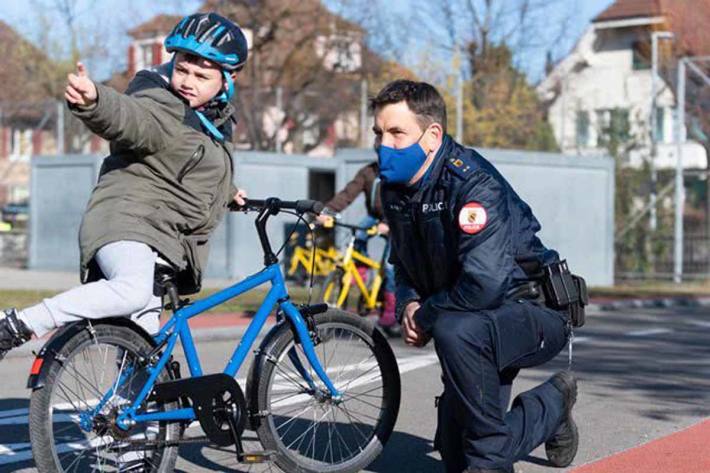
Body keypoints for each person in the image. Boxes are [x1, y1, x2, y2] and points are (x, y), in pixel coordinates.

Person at [0, 12, 250, 359]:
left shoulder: (211, 122)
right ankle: (17, 324)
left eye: (201, 76)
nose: (188, 82)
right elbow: (132, 120)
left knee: (143, 351)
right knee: (131, 291)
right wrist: (95, 102)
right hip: (126, 222)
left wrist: (229, 191)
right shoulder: (162, 104)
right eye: (182, 69)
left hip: (162, 239)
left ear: (228, 79)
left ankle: (131, 411)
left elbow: (188, 166)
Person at [373, 80, 583, 473]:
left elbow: (485, 283)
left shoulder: (472, 183)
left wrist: (425, 315)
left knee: (456, 336)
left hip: (531, 308)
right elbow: (402, 261)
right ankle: (552, 407)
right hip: (469, 318)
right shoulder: (394, 190)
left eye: (397, 133)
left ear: (432, 135)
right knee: (455, 453)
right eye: (379, 133)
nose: (385, 144)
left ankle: (489, 462)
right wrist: (408, 302)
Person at [316, 162, 400, 337]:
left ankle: (391, 308)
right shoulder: (368, 172)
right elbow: (348, 194)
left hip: (394, 217)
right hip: (373, 217)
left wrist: (387, 222)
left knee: (389, 265)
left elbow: (400, 199)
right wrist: (327, 211)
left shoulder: (397, 170)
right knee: (358, 236)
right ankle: (361, 269)